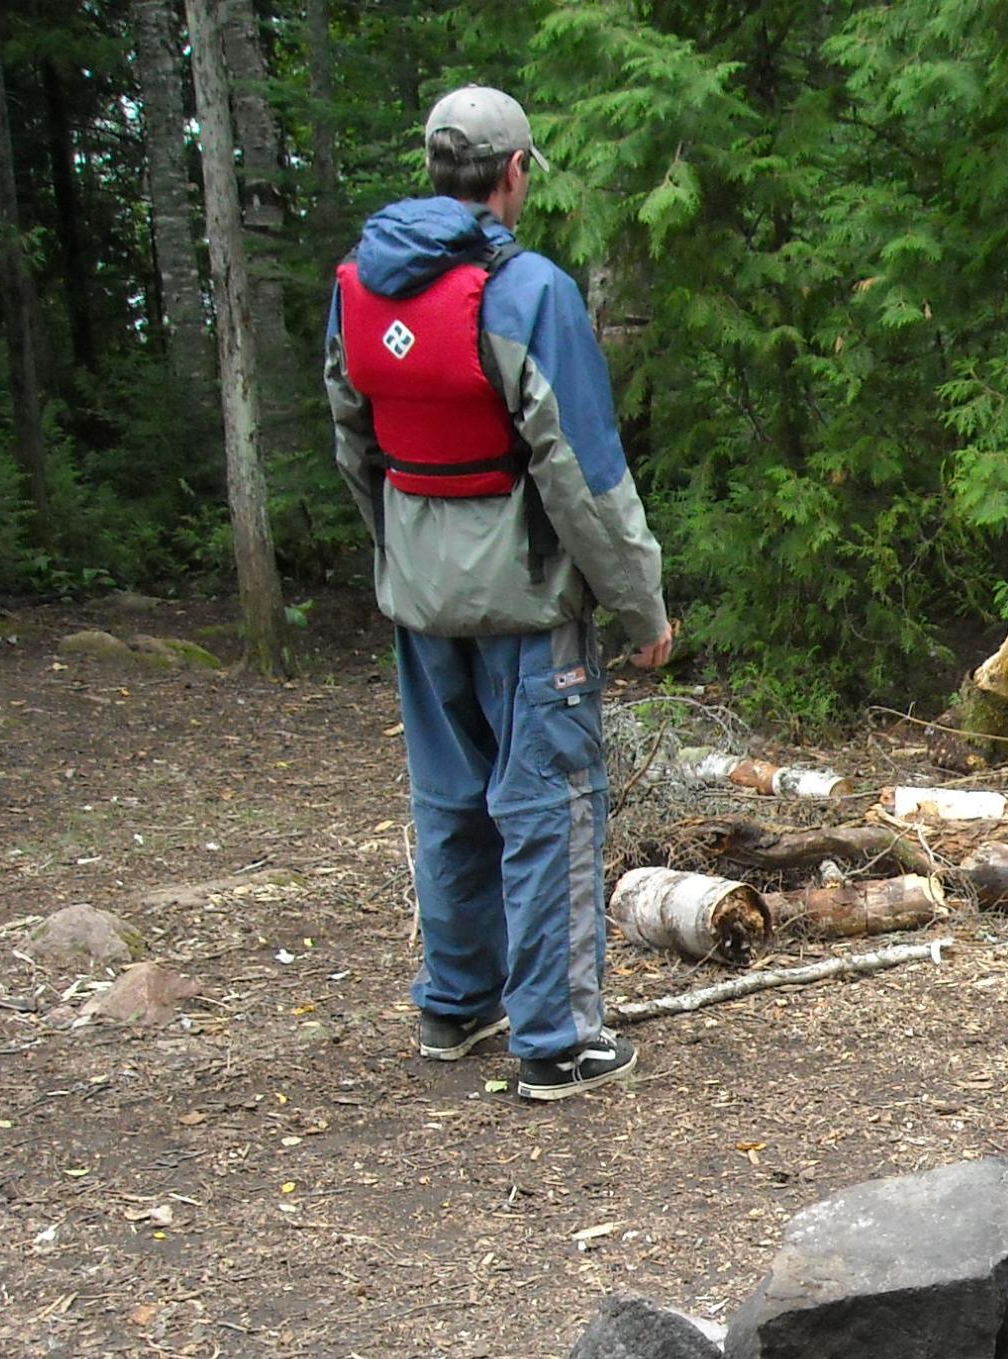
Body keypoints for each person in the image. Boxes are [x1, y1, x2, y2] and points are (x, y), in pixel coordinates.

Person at [323, 85, 670, 1099]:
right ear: (515, 172)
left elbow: (356, 445)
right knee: (548, 805)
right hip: (524, 597)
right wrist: (641, 606)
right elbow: (583, 473)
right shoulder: (529, 293)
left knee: (448, 799)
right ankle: (556, 1039)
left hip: (418, 590)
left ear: (438, 168)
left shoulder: (358, 287)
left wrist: (400, 553)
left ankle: (455, 1002)